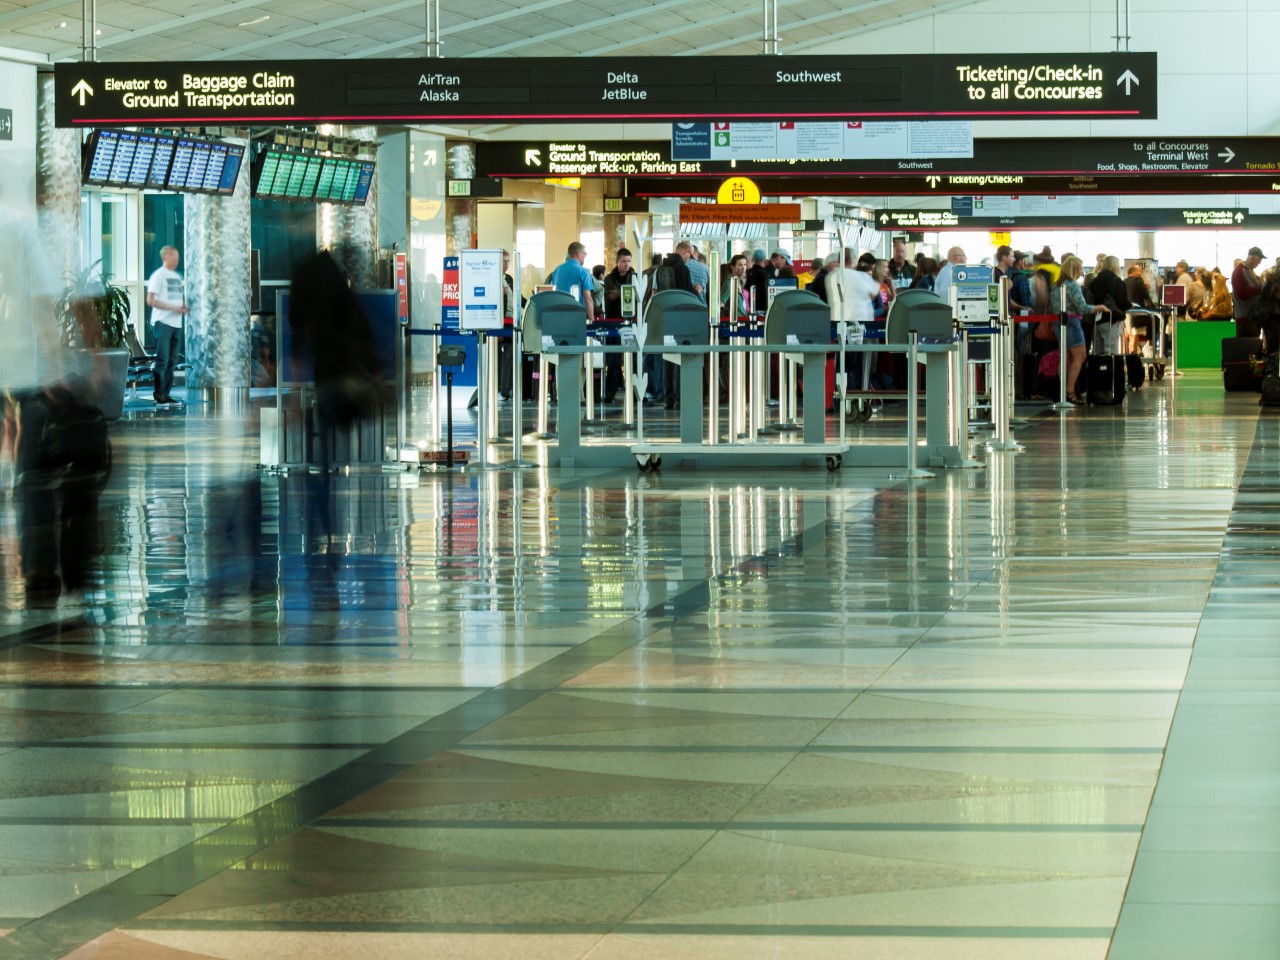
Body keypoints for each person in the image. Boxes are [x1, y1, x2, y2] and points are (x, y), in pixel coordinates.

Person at [1058, 254, 1108, 404]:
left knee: (1065, 358)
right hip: (1072, 322)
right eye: (1079, 269)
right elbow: (1082, 307)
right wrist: (1099, 307)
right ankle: (1070, 391)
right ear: (1073, 269)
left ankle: (1063, 391)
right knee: (1079, 357)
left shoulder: (1057, 284)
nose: (1081, 272)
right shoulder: (1073, 285)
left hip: (1059, 323)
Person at [146, 245, 188, 405]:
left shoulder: (176, 277)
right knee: (162, 360)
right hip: (162, 323)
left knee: (172, 361)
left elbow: (174, 298)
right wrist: (173, 307)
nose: (177, 261)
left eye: (178, 258)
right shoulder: (158, 275)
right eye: (174, 257)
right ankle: (158, 394)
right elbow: (150, 300)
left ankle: (166, 393)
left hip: (176, 324)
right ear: (165, 257)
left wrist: (182, 306)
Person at [600, 247, 638, 404]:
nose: (627, 264)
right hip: (613, 323)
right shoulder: (609, 278)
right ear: (617, 262)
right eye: (623, 261)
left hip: (631, 323)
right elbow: (612, 294)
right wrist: (627, 292)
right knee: (614, 359)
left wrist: (621, 292)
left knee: (634, 359)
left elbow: (636, 293)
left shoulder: (635, 277)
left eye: (629, 261)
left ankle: (636, 391)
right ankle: (611, 392)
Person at [1090, 255, 1132, 354]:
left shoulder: (1094, 281)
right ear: (1115, 266)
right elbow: (1122, 301)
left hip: (1096, 319)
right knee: (1111, 352)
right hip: (1111, 319)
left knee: (1097, 352)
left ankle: (1099, 369)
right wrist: (1129, 305)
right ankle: (1111, 369)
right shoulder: (1116, 281)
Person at [550, 242, 597, 321]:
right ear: (579, 254)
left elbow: (552, 292)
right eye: (584, 254)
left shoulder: (557, 270)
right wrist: (591, 320)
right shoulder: (583, 271)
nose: (585, 256)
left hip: (558, 315)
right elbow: (588, 299)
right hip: (577, 316)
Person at [1231, 246, 1265, 336]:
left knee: (1251, 346)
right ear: (1253, 258)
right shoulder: (1240, 271)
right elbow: (1241, 293)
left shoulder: (1248, 271)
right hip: (1246, 318)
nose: (1260, 263)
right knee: (1247, 346)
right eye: (1259, 260)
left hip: (1251, 317)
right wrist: (1260, 289)